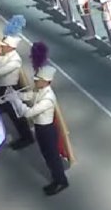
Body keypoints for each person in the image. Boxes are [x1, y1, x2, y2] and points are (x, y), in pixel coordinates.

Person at [8, 65, 68, 195]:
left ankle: (61, 181)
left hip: (47, 130)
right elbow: (30, 96)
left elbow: (28, 113)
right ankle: (56, 177)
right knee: (47, 155)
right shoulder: (40, 90)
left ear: (46, 81)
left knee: (53, 157)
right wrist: (17, 95)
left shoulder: (48, 98)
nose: (35, 81)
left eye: (38, 80)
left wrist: (16, 102)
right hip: (40, 128)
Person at [0, 36, 34, 149]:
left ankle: (27, 137)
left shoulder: (15, 61)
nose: (2, 47)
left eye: (5, 46)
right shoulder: (5, 55)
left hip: (10, 88)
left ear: (11, 48)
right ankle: (2, 108)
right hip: (2, 86)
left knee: (16, 116)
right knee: (5, 107)